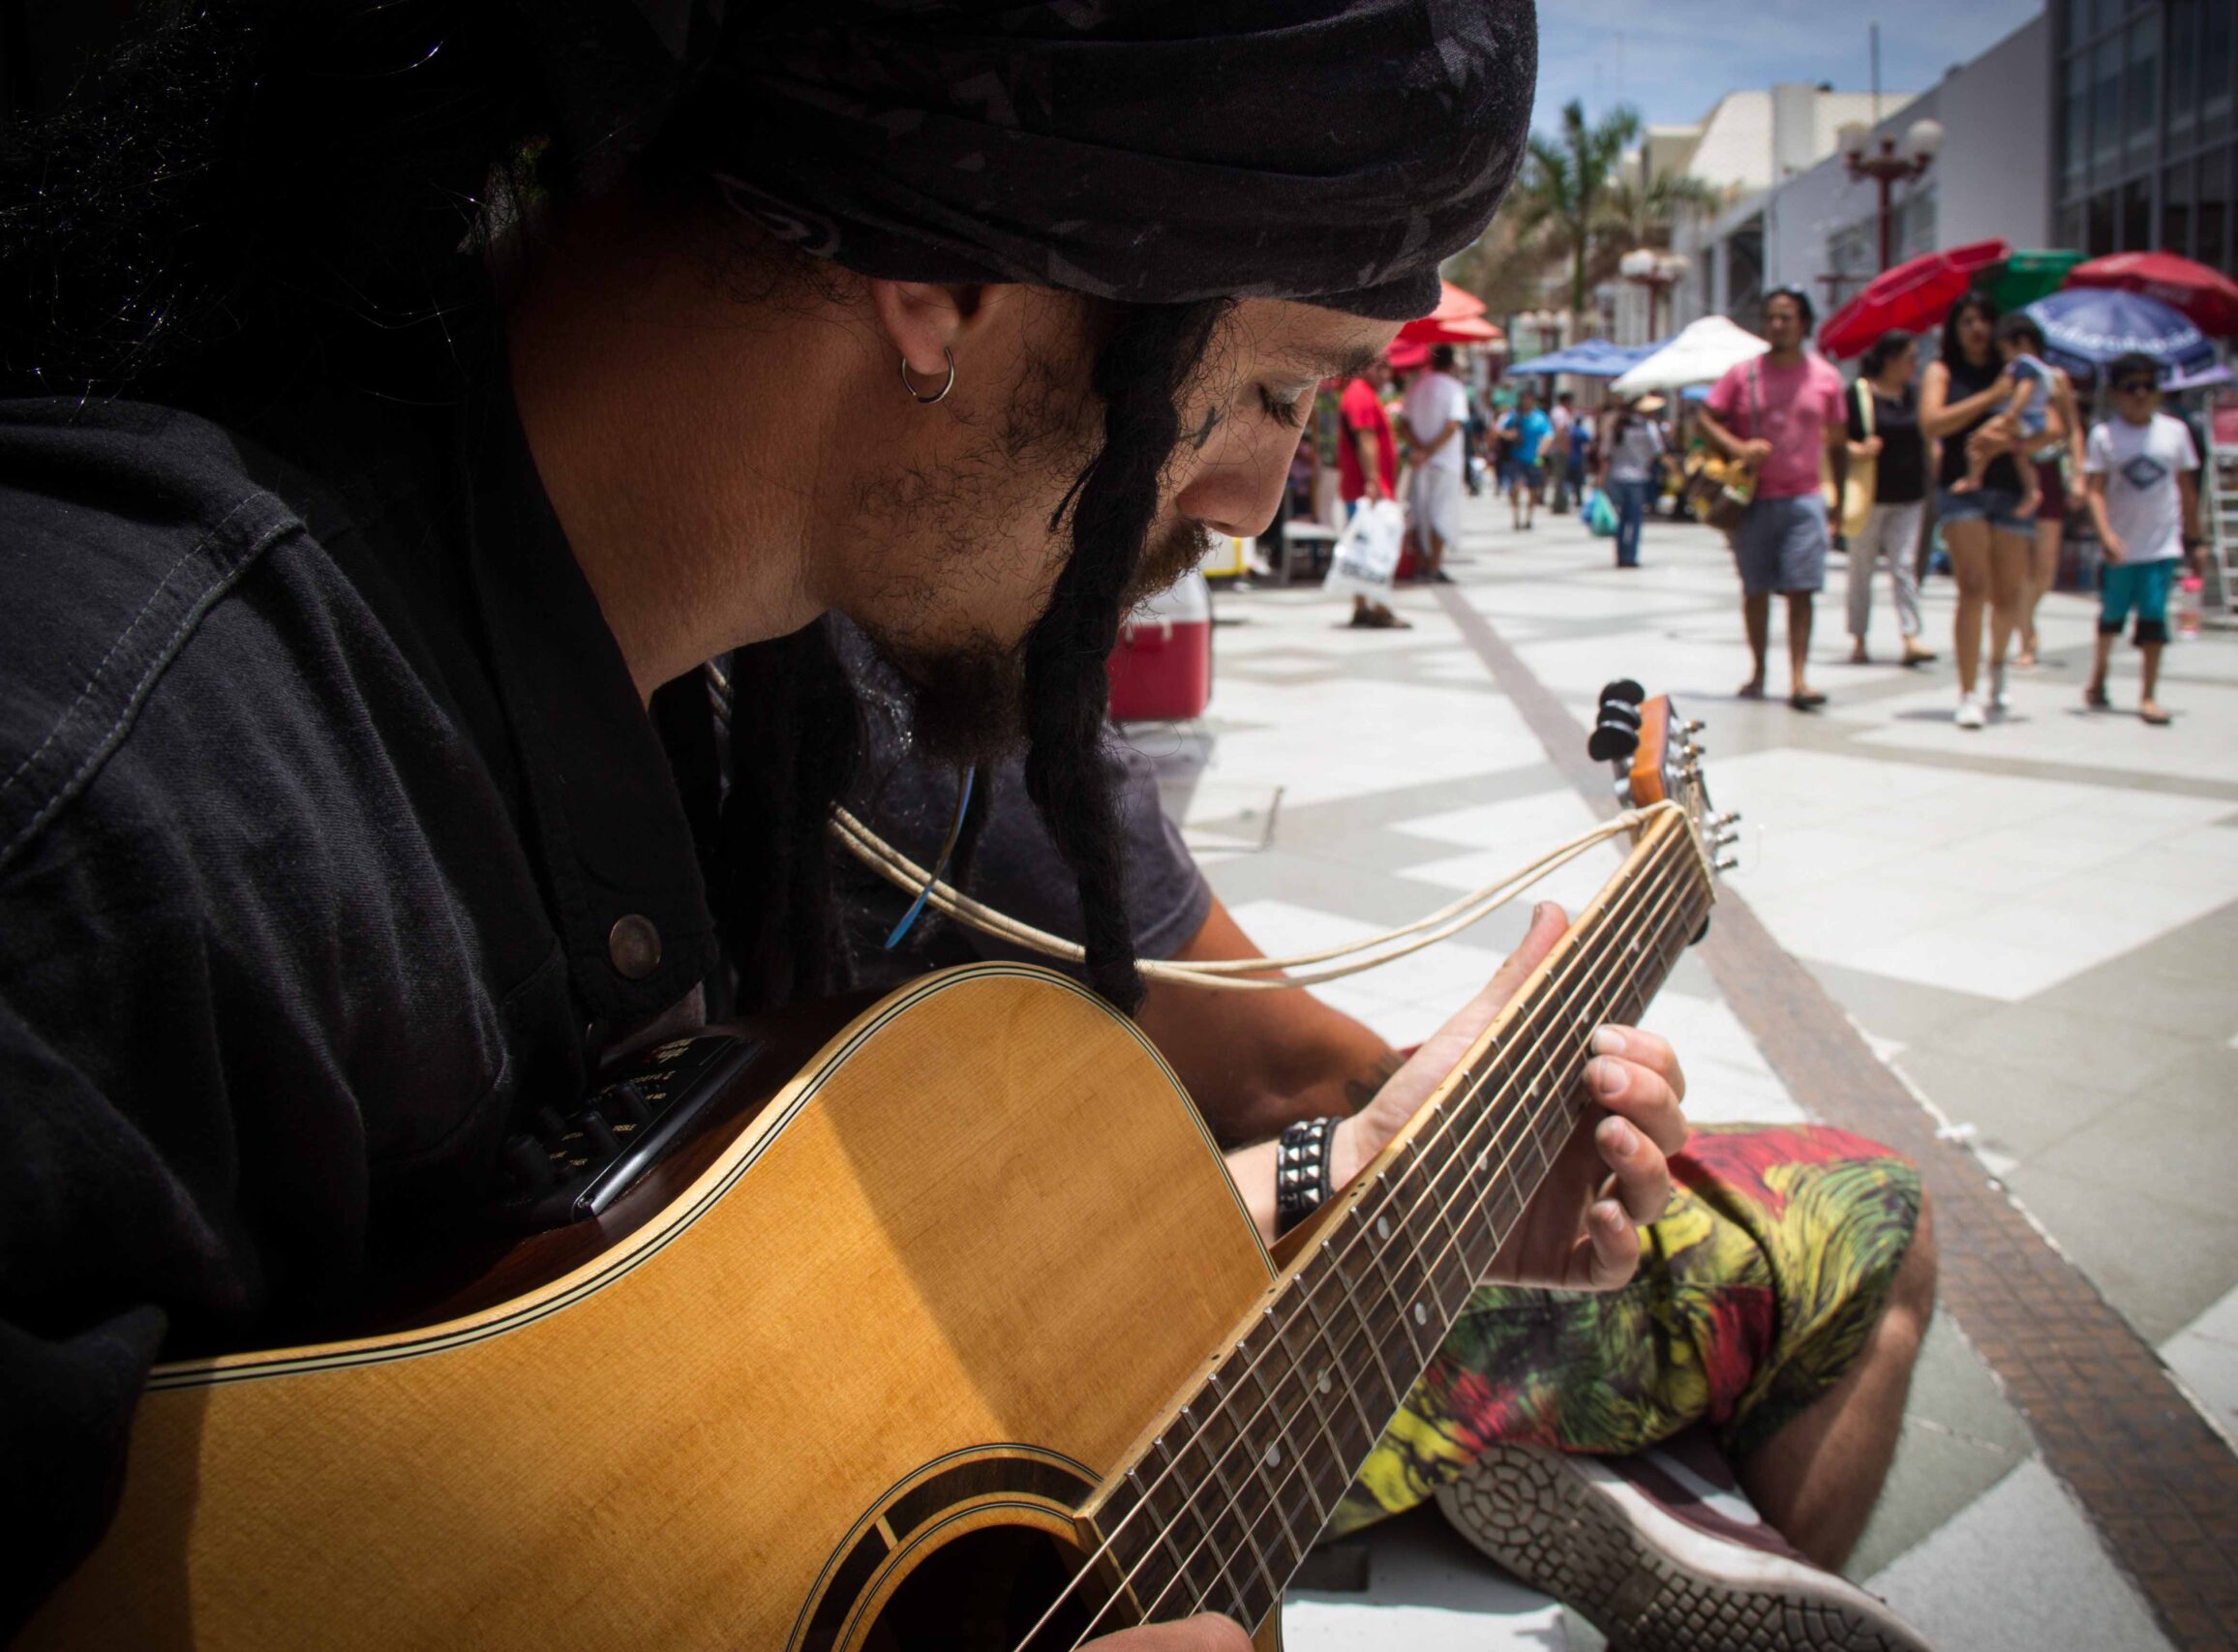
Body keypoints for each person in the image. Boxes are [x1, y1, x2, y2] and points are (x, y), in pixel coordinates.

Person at [0, 5, 1699, 1641]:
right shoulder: (98, 828)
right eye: (1275, 393)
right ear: (949, 281)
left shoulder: (764, 710)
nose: (1261, 500)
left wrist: (1380, 1176)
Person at [835, 645, 1936, 1651]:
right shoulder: (940, 695)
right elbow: (1285, 1075)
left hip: (1034, 1393)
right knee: (1876, 1202)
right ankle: (1689, 1498)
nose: (1248, 501)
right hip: (1171, 1422)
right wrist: (1384, 1144)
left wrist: (1386, 1145)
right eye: (1264, 411)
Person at [1699, 287, 1846, 711]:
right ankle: (1759, 671)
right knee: (1756, 588)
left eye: (1786, 317)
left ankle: (1799, 678)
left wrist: (1838, 497)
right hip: (1754, 499)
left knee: (1802, 589)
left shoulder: (1826, 378)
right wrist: (1739, 448)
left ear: (1803, 323)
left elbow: (1837, 442)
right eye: (1771, 317)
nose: (1777, 325)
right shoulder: (1742, 375)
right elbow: (1707, 417)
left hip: (1805, 498)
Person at [1920, 293, 2035, 729]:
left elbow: (2049, 425)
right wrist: (1990, 397)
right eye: (1966, 321)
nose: (1976, 330)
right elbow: (1931, 423)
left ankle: (1997, 667)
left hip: (2010, 488)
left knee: (2007, 593)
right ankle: (1967, 691)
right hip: (1961, 489)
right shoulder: (1943, 371)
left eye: (1984, 320)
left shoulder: (2019, 371)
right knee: (1972, 585)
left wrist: (2014, 440)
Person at [2082, 354, 2201, 727]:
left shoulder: (2175, 432)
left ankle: (2148, 695)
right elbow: (2095, 491)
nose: (2140, 395)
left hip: (2161, 545)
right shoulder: (2104, 436)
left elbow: (2186, 488)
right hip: (2120, 544)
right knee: (2112, 616)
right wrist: (2104, 533)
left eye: (2148, 387)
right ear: (2117, 393)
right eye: (2131, 387)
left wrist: (2195, 538)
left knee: (2153, 616)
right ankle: (2099, 675)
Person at [1841, 330, 1936, 667]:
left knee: (1904, 566)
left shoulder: (1915, 396)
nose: (1915, 364)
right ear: (1891, 359)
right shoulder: (1860, 394)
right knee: (1861, 568)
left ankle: (1911, 636)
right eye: (1911, 357)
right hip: (1868, 496)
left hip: (1909, 495)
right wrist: (1860, 449)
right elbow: (1836, 442)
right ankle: (1859, 637)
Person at [2015, 352, 2087, 670]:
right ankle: (2025, 635)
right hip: (2018, 471)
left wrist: (2080, 476)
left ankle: (2026, 619)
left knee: (2046, 564)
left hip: (2050, 473)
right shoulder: (2012, 377)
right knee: (2021, 563)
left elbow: (2073, 430)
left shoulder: (2057, 379)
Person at [1949, 312, 2051, 519]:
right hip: (2033, 420)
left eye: (2005, 351)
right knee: (2021, 457)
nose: (2004, 357)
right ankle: (2032, 491)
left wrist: (2012, 413)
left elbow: (2025, 387)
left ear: (2021, 342)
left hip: (2023, 418)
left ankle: (1973, 476)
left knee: (1977, 439)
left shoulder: (2024, 363)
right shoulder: (2045, 369)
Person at [1336, 356, 1410, 627]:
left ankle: (1362, 607)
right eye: (1381, 367)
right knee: (1377, 550)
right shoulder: (1360, 394)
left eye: (1389, 367)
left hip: (1364, 488)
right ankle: (1378, 608)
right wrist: (1373, 480)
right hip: (1368, 490)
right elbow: (1365, 437)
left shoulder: (1361, 393)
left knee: (1362, 551)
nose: (1387, 374)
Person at [1402, 344, 1469, 584]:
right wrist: (1430, 450)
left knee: (1419, 512)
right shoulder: (1454, 388)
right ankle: (1433, 565)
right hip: (1445, 461)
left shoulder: (1416, 386)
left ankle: (1420, 563)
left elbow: (1404, 424)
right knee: (1441, 513)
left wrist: (1420, 449)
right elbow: (1453, 425)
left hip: (1421, 462)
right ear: (1451, 364)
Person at [1595, 395, 1666, 569]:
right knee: (1634, 519)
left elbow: (1605, 453)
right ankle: (1631, 556)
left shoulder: (1616, 428)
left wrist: (1601, 478)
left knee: (1620, 518)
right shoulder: (1648, 427)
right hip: (1638, 477)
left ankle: (1620, 554)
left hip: (1617, 476)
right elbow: (1658, 450)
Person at [1502, 387, 1553, 530]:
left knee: (1533, 490)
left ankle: (1529, 518)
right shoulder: (1514, 416)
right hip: (1516, 458)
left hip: (1534, 459)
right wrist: (1509, 435)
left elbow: (1548, 434)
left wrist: (1542, 449)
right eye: (1523, 398)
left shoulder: (1540, 417)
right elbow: (1500, 430)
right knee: (1515, 487)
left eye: (1528, 398)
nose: (1525, 401)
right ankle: (1516, 516)